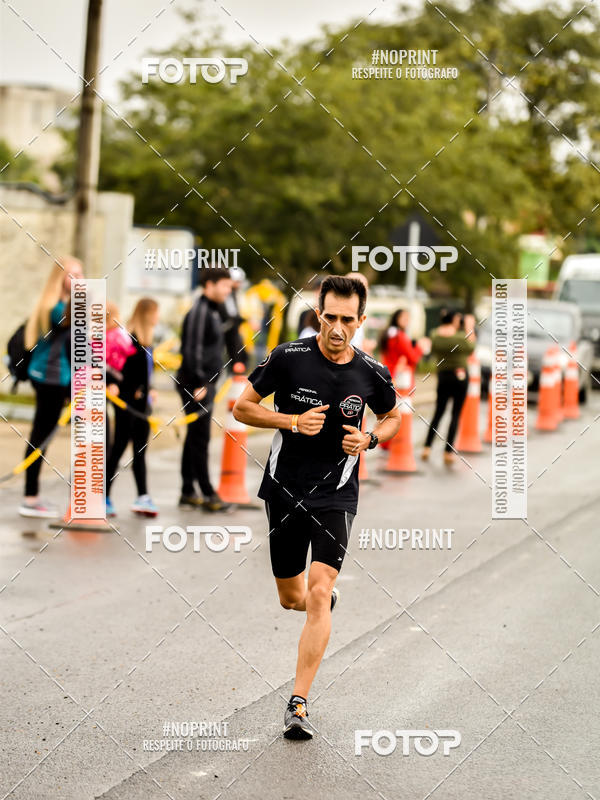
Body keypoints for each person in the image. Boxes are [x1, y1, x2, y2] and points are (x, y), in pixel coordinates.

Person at [233, 275, 401, 740]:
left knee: (320, 588)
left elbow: (393, 417)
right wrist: (290, 420)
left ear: (361, 321)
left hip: (337, 495)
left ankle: (298, 703)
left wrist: (369, 438)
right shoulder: (289, 358)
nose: (338, 328)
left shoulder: (370, 372)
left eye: (349, 319)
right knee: (293, 597)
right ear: (318, 315)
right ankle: (313, 598)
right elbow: (241, 407)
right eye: (331, 317)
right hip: (285, 490)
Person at [19, 257, 83, 518]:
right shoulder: (58, 308)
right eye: (72, 275)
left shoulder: (53, 304)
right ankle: (30, 497)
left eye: (80, 274)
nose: (78, 279)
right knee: (41, 436)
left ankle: (30, 495)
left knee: (41, 434)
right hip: (50, 378)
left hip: (52, 377)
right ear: (60, 277)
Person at [176, 267, 233, 511]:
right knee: (200, 439)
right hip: (196, 384)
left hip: (203, 383)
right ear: (209, 285)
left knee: (194, 437)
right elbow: (192, 350)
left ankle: (188, 490)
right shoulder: (200, 311)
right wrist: (200, 382)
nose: (228, 291)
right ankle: (208, 493)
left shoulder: (213, 310)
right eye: (225, 286)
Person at [105, 298, 159, 517]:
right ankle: (104, 496)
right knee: (118, 447)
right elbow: (120, 371)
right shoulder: (130, 340)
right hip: (127, 405)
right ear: (146, 314)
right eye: (155, 313)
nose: (157, 317)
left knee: (139, 451)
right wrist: (131, 390)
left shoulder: (147, 342)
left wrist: (150, 388)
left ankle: (143, 496)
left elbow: (145, 372)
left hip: (143, 406)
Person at [422, 310, 476, 465]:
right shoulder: (459, 337)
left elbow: (432, 349)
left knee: (438, 412)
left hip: (443, 376)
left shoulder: (435, 335)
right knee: (455, 414)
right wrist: (469, 327)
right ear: (454, 320)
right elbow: (471, 347)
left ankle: (427, 446)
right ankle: (448, 451)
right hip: (460, 376)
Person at [378, 308, 430, 381]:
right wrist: (420, 347)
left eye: (408, 318)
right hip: (398, 376)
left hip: (387, 372)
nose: (407, 321)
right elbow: (413, 358)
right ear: (397, 318)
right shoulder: (400, 336)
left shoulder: (388, 333)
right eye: (405, 318)